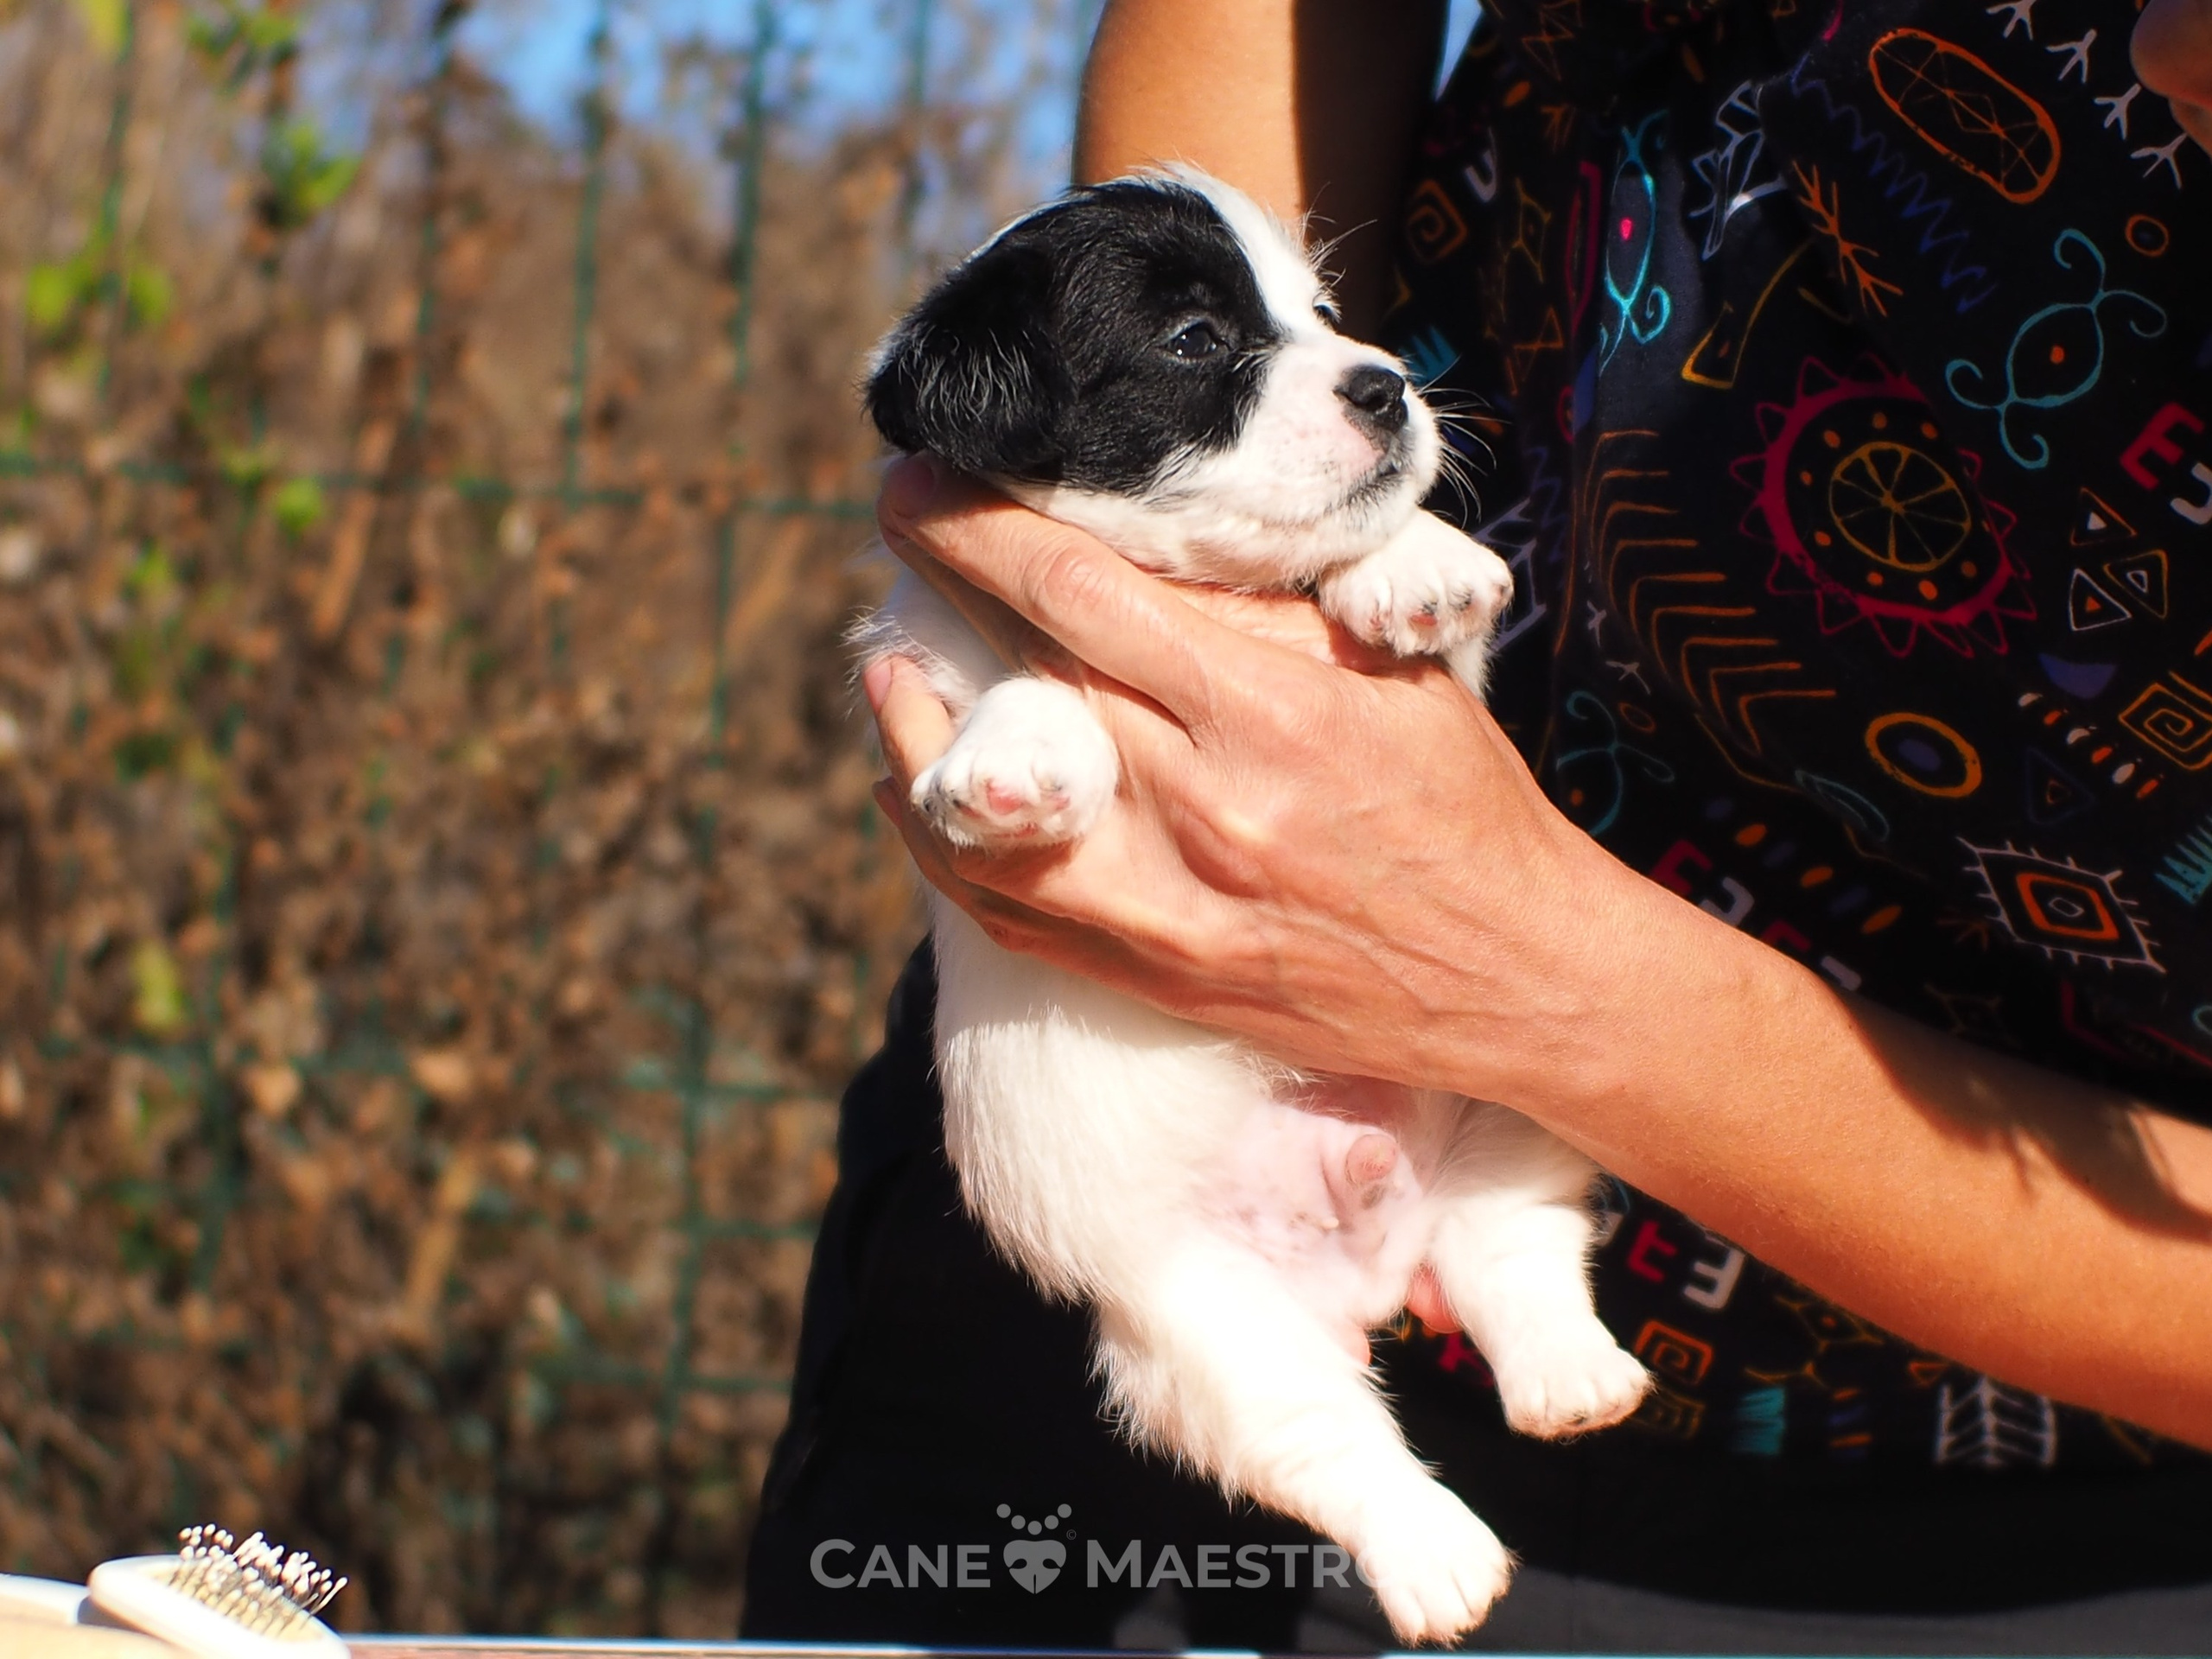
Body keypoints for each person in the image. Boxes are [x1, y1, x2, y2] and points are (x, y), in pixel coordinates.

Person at [745, 0, 2212, 1649]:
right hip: (1106, 1269)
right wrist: (1204, 596)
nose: (2162, 50)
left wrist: (1545, 987)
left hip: (2066, 1506)